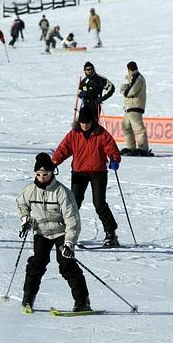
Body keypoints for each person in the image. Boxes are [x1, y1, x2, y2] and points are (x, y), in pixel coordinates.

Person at [17, 153, 91, 313]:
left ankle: (82, 301)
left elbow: (73, 219)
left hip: (60, 232)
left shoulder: (62, 192)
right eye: (38, 174)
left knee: (66, 264)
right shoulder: (30, 190)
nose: (42, 178)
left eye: (45, 174)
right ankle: (28, 299)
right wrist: (25, 218)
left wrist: (69, 243)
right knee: (37, 263)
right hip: (41, 231)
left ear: (52, 173)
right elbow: (21, 204)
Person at [51, 106, 122, 247]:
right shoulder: (73, 134)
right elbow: (63, 149)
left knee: (99, 203)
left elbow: (111, 147)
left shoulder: (101, 133)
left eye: (87, 122)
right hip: (79, 173)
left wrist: (114, 159)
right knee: (74, 203)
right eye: (82, 122)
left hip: (98, 172)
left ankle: (111, 234)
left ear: (93, 121)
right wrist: (53, 162)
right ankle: (68, 234)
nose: (85, 125)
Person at [119, 61, 151, 157]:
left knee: (138, 129)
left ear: (129, 69)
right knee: (126, 128)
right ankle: (130, 147)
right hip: (129, 107)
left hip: (135, 106)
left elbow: (131, 92)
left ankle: (143, 148)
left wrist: (125, 91)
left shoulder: (138, 77)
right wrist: (126, 87)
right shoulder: (133, 78)